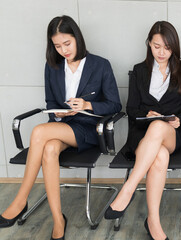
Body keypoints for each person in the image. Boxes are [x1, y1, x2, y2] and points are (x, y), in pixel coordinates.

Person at [0, 15, 121, 240]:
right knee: (49, 149)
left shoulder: (100, 64)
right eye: (57, 46)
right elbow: (50, 102)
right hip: (62, 125)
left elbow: (115, 104)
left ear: (78, 38)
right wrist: (58, 111)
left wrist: (86, 105)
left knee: (38, 131)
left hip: (89, 128)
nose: (63, 50)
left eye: (67, 43)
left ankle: (20, 200)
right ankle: (58, 220)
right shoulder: (52, 66)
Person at [104, 21, 181, 240]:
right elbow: (130, 108)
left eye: (167, 48)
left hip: (173, 135)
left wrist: (180, 119)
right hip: (142, 136)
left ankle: (128, 189)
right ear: (149, 43)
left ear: (173, 48)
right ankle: (154, 223)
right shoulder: (139, 71)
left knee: (160, 126)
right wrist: (146, 113)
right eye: (157, 46)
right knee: (159, 156)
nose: (161, 52)